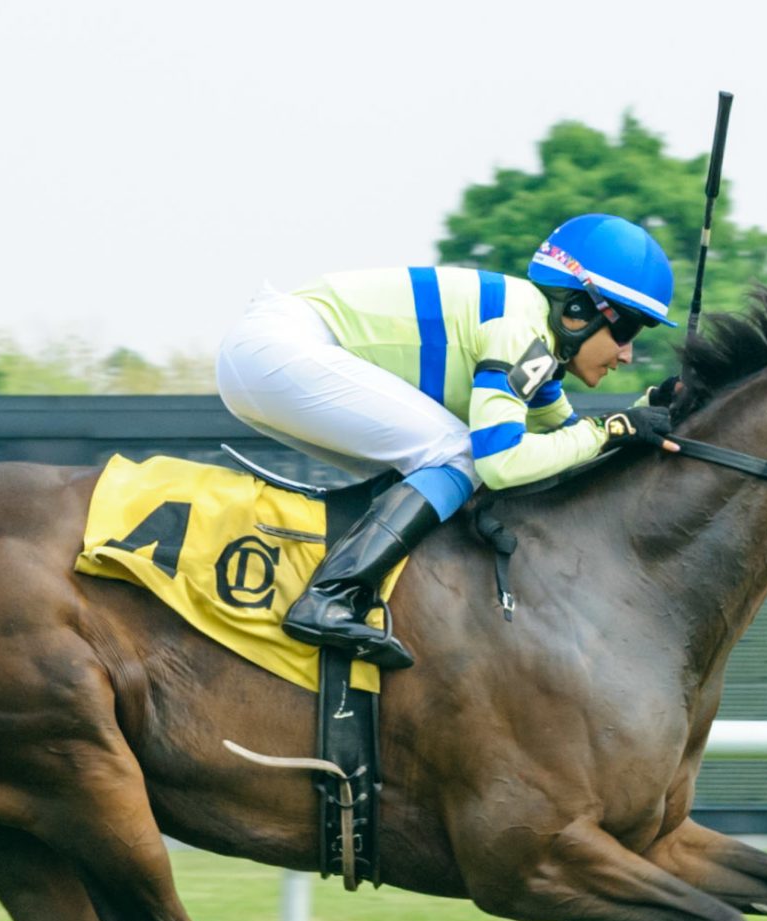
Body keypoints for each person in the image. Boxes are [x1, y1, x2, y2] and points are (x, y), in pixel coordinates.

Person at [215, 213, 677, 670]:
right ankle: (331, 597)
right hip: (280, 348)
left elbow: (564, 446)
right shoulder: (521, 332)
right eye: (627, 330)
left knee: (437, 469)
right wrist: (614, 428)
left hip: (267, 355)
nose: (627, 353)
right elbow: (503, 462)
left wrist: (647, 410)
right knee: (461, 454)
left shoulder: (538, 347)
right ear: (578, 312)